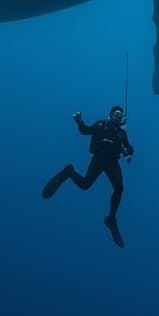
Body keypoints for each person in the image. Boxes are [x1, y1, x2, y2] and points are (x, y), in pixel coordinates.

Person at [42, 105, 134, 248]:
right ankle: (68, 172)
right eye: (116, 114)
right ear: (110, 115)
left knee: (119, 188)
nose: (118, 116)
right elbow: (85, 131)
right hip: (99, 158)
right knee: (85, 185)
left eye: (120, 115)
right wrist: (79, 121)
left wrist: (129, 153)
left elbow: (129, 147)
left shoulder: (122, 133)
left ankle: (111, 219)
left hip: (112, 163)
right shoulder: (102, 124)